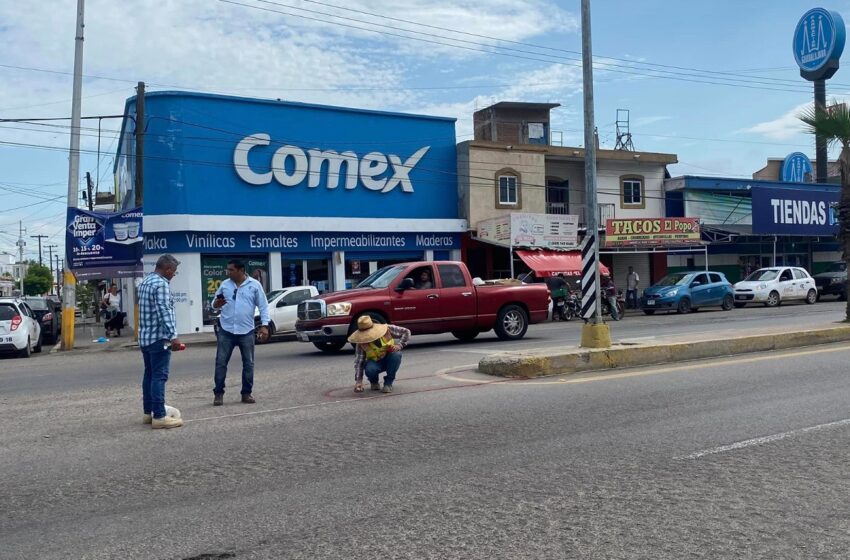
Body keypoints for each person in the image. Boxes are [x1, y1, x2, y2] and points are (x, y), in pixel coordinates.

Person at [211, 259, 270, 406]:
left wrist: (264, 325)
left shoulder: (254, 285)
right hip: (226, 331)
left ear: (241, 270)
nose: (228, 272)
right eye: (228, 270)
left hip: (247, 331)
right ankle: (218, 394)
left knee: (248, 364)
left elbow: (263, 306)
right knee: (220, 363)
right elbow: (214, 304)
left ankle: (246, 393)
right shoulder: (225, 285)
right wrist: (216, 305)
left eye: (231, 270)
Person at [138, 254, 183, 429]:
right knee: (159, 376)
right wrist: (174, 336)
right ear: (168, 269)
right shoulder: (161, 284)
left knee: (149, 375)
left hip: (145, 338)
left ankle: (148, 412)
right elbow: (164, 312)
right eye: (174, 272)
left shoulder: (146, 282)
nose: (173, 275)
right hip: (159, 338)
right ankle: (159, 416)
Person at [348, 315, 411, 394]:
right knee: (370, 369)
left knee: (396, 354)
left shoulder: (386, 329)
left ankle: (388, 383)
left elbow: (406, 332)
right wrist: (358, 381)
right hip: (374, 363)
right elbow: (359, 362)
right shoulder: (361, 342)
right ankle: (374, 381)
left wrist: (399, 345)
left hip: (389, 359)